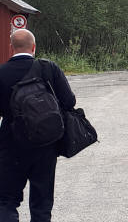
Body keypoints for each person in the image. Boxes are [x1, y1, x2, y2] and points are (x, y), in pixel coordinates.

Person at [0, 29, 76, 222]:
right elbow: (69, 101)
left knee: (6, 201)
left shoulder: (2, 73)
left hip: (11, 145)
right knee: (42, 203)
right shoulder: (48, 68)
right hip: (46, 144)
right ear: (34, 47)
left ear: (12, 48)